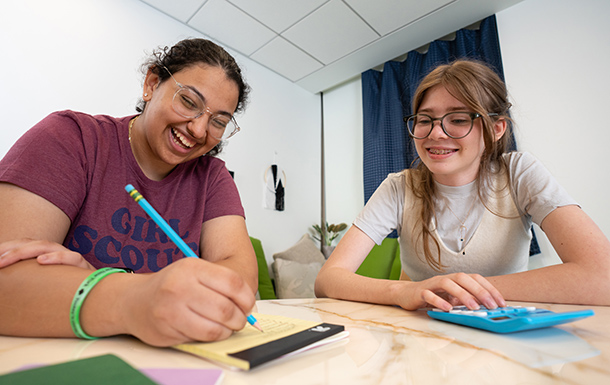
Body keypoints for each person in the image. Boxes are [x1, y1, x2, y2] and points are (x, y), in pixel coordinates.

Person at [0, 38, 259, 346]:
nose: (200, 130)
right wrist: (136, 298)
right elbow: (9, 280)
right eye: (189, 102)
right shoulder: (70, 138)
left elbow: (239, 280)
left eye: (218, 121)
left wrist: (95, 282)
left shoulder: (211, 176)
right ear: (151, 83)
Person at [315, 59, 610, 311]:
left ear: (496, 129)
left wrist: (458, 291)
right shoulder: (399, 187)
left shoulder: (519, 172)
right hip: (420, 338)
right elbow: (328, 280)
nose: (436, 134)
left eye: (457, 119)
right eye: (425, 120)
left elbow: (602, 277)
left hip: (503, 338)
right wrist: (400, 291)